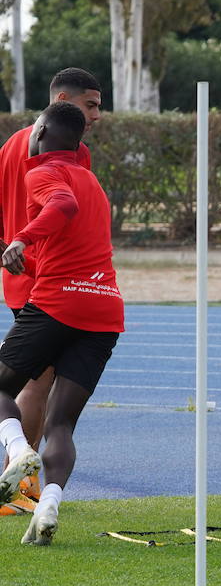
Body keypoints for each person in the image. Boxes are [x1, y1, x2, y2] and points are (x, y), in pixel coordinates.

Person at [0, 101, 123, 544]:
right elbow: (73, 245)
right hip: (105, 308)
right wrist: (25, 258)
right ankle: (49, 503)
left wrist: (21, 236)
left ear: (43, 129)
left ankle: (18, 454)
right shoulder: (92, 181)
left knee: (0, 387)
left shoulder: (42, 173)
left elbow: (61, 206)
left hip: (58, 304)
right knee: (61, 424)